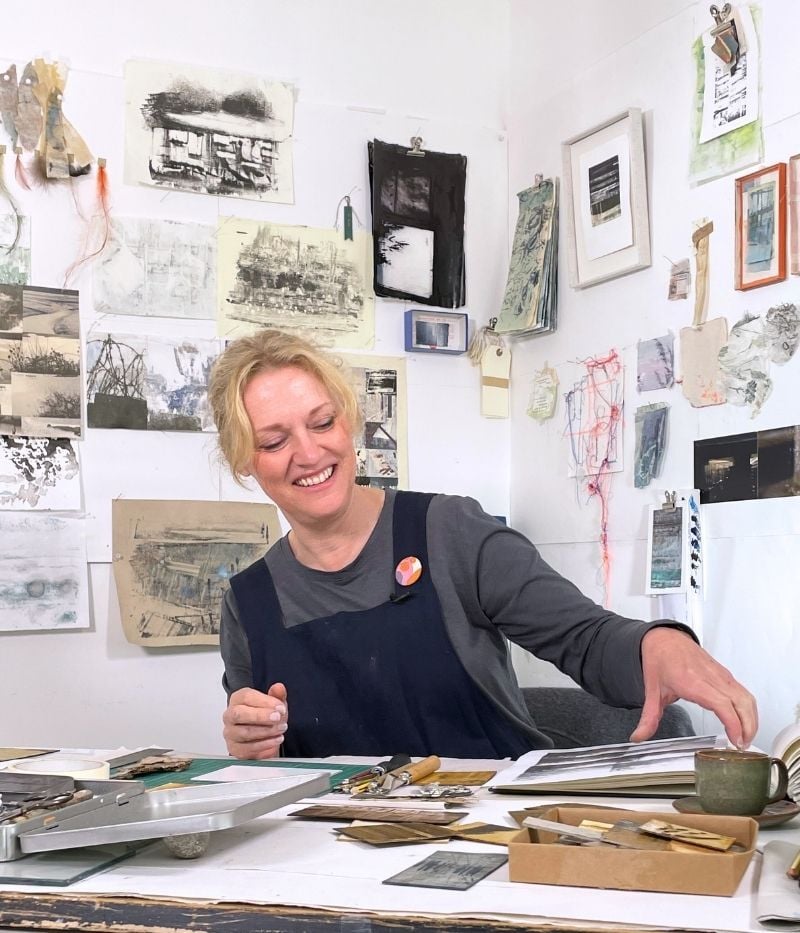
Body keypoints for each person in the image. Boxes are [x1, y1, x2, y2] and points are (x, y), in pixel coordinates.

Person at [208, 329, 757, 761]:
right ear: (242, 460)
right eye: (274, 441)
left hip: (492, 841)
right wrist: (251, 744)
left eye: (322, 422)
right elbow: (268, 754)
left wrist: (656, 643)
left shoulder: (448, 531)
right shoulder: (249, 603)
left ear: (348, 423)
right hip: (340, 858)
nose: (308, 452)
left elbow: (585, 638)